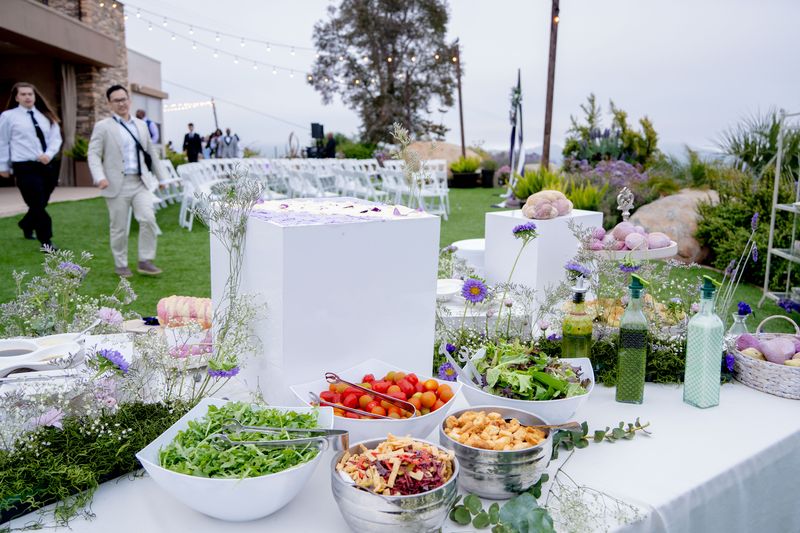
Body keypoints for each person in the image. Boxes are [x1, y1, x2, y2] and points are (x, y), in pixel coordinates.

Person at [88, 84, 167, 278]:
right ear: (109, 104)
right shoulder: (103, 127)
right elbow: (93, 154)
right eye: (117, 100)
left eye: (124, 99)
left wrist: (162, 177)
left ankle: (145, 260)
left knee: (148, 218)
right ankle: (121, 264)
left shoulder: (141, 125)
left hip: (140, 182)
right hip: (116, 185)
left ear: (129, 101)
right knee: (119, 227)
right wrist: (100, 177)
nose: (121, 103)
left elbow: (151, 153)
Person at [0, 82, 62, 250]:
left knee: (41, 203)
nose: (28, 97)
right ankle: (46, 241)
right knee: (36, 203)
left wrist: (48, 154)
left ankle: (26, 224)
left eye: (30, 94)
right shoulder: (8, 116)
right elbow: (3, 142)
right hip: (24, 166)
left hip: (46, 166)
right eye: (24, 94)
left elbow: (56, 139)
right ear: (17, 97)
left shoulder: (46, 116)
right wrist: (3, 166)